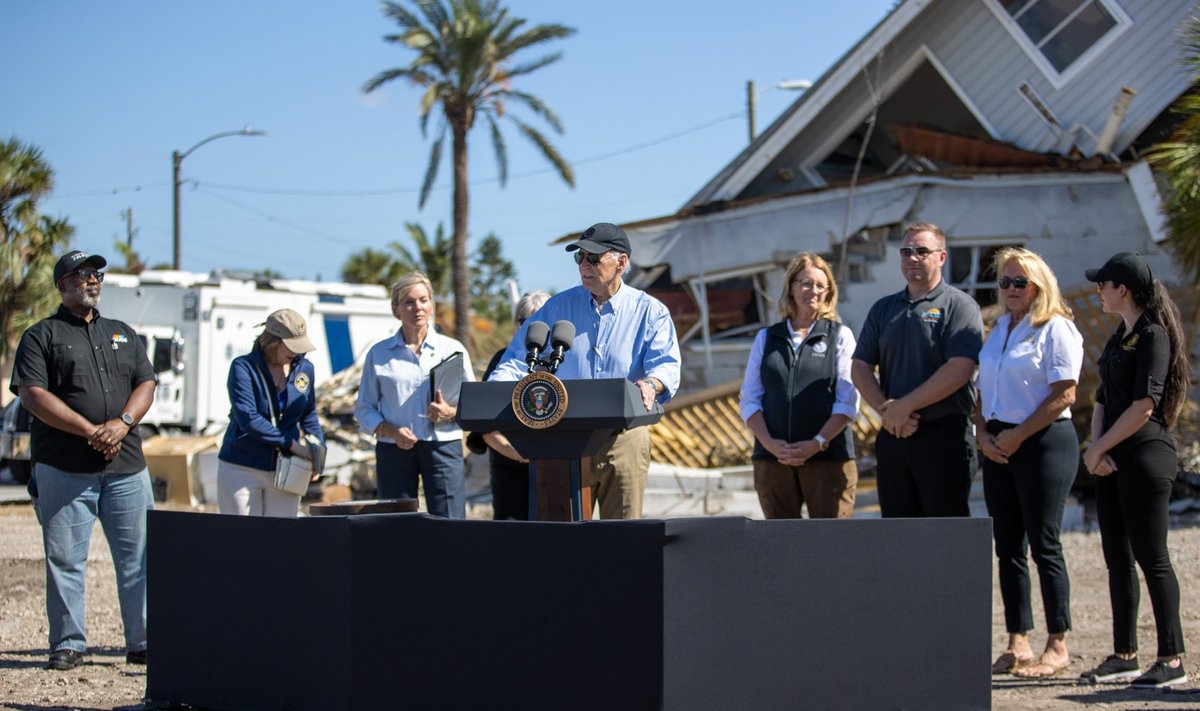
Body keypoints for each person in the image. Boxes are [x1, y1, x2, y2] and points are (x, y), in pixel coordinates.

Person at [9, 250, 156, 670]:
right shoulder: (42, 336)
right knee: (65, 560)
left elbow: (146, 382)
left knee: (140, 558)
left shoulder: (123, 333)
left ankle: (143, 641)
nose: (93, 280)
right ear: (62, 285)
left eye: (96, 274)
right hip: (64, 467)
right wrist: (91, 430)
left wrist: (123, 423)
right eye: (82, 274)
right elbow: (34, 395)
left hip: (127, 466)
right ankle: (69, 643)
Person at [490, 223, 681, 519]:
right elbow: (517, 359)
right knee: (564, 542)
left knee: (622, 540)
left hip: (624, 436)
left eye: (593, 258)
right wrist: (494, 389)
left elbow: (666, 365)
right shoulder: (557, 308)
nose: (584, 265)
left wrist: (652, 383)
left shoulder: (650, 311)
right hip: (562, 436)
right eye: (580, 258)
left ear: (621, 262)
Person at [1077, 253, 1189, 688]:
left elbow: (1145, 406)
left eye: (1103, 284)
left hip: (1144, 455)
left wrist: (1100, 446)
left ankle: (1172, 659)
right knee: (1116, 559)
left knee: (1152, 556)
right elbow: (1103, 399)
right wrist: (1095, 448)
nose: (1098, 291)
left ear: (1122, 288)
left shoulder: (1152, 336)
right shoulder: (1117, 337)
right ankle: (1125, 654)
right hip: (1111, 459)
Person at [974, 248, 1083, 678]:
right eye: (1005, 282)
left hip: (1042, 441)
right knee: (1008, 546)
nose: (1012, 290)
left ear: (1039, 285)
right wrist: (983, 433)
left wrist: (1018, 435)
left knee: (1045, 543)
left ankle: (1058, 643)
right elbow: (984, 389)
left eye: (1021, 282)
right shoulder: (999, 327)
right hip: (999, 442)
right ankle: (1017, 639)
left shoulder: (1056, 327)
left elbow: (1065, 393)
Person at [851, 222, 983, 517]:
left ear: (941, 257)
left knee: (944, 536)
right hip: (895, 434)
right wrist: (888, 411)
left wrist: (906, 405)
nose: (912, 258)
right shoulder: (884, 309)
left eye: (922, 251)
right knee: (900, 537)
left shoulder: (959, 306)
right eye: (906, 251)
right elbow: (859, 366)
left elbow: (961, 368)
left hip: (944, 435)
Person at [739, 252, 860, 519]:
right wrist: (770, 444)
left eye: (820, 285)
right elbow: (750, 399)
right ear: (791, 287)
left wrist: (817, 443)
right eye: (805, 283)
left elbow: (847, 401)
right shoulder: (767, 337)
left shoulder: (840, 336)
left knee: (829, 545)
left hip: (828, 460)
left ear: (829, 292)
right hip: (773, 461)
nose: (812, 291)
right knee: (782, 547)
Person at [355, 271, 474, 519]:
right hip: (394, 449)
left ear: (431, 305)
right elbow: (364, 407)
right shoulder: (379, 353)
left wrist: (450, 413)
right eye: (408, 302)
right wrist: (390, 431)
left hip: (444, 445)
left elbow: (473, 403)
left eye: (423, 300)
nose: (417, 307)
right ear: (396, 309)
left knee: (450, 524)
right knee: (396, 524)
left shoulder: (453, 349)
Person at [217, 309, 324, 517]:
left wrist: (317, 450)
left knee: (281, 539)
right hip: (242, 466)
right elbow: (248, 418)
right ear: (272, 341)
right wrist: (292, 445)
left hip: (287, 469)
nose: (297, 353)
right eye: (291, 346)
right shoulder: (243, 367)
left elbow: (309, 414)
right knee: (243, 539)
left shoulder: (305, 368)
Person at [466, 290, 550, 520]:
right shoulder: (502, 361)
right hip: (509, 469)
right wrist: (517, 453)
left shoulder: (564, 362)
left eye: (543, 322)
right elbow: (484, 425)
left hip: (556, 470)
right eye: (527, 322)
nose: (535, 329)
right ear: (516, 325)